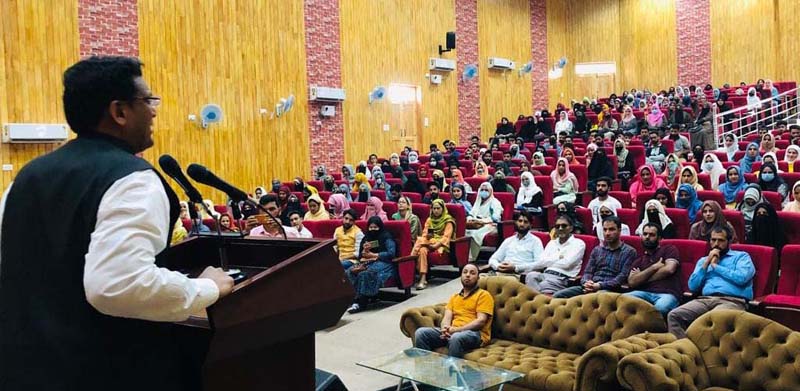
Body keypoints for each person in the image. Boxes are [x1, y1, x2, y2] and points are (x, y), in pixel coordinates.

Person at [0, 56, 235, 389]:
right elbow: (117, 285)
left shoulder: (25, 177)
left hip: (21, 370)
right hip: (106, 372)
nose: (154, 111)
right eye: (147, 100)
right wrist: (207, 287)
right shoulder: (132, 180)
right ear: (120, 112)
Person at [667, 225, 755, 339]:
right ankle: (685, 349)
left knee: (713, 319)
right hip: (705, 300)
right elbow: (692, 286)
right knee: (674, 316)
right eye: (713, 240)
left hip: (732, 301)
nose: (716, 244)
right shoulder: (704, 260)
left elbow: (742, 278)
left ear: (729, 241)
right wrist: (706, 263)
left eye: (721, 240)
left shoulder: (741, 257)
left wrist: (715, 266)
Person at [413, 264, 494, 358]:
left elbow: (481, 321)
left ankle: (453, 372)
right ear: (461, 276)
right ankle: (425, 369)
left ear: (478, 278)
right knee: (421, 333)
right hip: (453, 332)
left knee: (456, 338)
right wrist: (445, 329)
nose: (468, 275)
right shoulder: (454, 297)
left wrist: (456, 330)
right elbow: (447, 318)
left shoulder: (483, 295)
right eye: (465, 272)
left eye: (472, 273)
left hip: (475, 334)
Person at [552, 217, 637, 298]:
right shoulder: (597, 250)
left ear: (619, 230)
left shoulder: (629, 252)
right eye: (605, 230)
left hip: (610, 290)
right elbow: (588, 272)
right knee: (558, 296)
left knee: (596, 297)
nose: (607, 233)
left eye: (611, 229)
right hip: (591, 286)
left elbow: (621, 278)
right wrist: (587, 282)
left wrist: (599, 285)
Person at [625, 223, 681, 316]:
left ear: (659, 238)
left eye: (652, 235)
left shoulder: (669, 249)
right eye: (645, 234)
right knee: (623, 300)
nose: (647, 237)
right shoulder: (639, 260)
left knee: (659, 309)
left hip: (667, 293)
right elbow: (632, 282)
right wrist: (654, 267)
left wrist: (642, 277)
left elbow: (669, 269)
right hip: (643, 293)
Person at [345, 216, 397, 313]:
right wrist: (365, 251)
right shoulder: (366, 237)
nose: (373, 230)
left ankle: (361, 303)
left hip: (384, 263)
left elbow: (391, 253)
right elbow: (360, 255)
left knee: (365, 273)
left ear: (380, 227)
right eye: (371, 227)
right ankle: (352, 300)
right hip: (367, 262)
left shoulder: (386, 236)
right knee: (350, 271)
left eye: (375, 227)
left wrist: (375, 255)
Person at [525, 215, 586, 294]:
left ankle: (536, 300)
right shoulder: (552, 243)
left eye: (564, 226)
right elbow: (541, 262)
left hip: (562, 278)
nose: (560, 228)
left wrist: (548, 261)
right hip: (545, 274)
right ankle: (539, 300)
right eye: (557, 226)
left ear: (571, 228)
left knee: (537, 287)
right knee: (530, 276)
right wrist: (559, 258)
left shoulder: (578, 243)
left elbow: (567, 264)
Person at [411, 199, 456, 289]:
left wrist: (435, 245)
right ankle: (423, 278)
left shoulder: (448, 220)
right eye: (434, 208)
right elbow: (424, 234)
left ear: (443, 209)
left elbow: (446, 237)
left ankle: (412, 257)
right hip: (429, 242)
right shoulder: (429, 220)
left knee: (419, 241)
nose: (435, 210)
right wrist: (428, 236)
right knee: (422, 250)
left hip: (440, 245)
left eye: (438, 208)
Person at [486, 211, 543, 278]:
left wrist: (516, 267)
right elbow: (493, 259)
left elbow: (539, 264)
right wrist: (498, 266)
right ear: (516, 222)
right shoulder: (509, 240)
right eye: (520, 221)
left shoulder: (535, 241)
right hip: (501, 272)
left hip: (519, 275)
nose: (522, 224)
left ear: (530, 225)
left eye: (525, 222)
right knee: (481, 279)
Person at [466, 182, 503, 262]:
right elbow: (471, 213)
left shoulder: (495, 202)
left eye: (486, 190)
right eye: (482, 190)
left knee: (475, 234)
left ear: (490, 191)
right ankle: (463, 256)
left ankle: (471, 258)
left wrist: (481, 221)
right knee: (465, 231)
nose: (484, 191)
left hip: (489, 224)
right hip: (475, 223)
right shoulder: (478, 201)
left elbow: (495, 217)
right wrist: (469, 218)